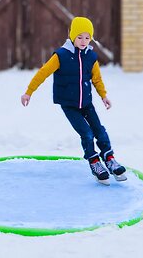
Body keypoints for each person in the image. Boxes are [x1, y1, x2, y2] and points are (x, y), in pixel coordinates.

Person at [20, 17, 126, 185]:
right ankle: (94, 162)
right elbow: (43, 73)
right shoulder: (61, 55)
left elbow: (97, 79)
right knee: (87, 133)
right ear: (72, 36)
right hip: (69, 105)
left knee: (100, 130)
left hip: (87, 103)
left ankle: (109, 158)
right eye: (80, 37)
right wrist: (29, 92)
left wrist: (104, 96)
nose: (84, 41)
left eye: (87, 37)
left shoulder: (91, 56)